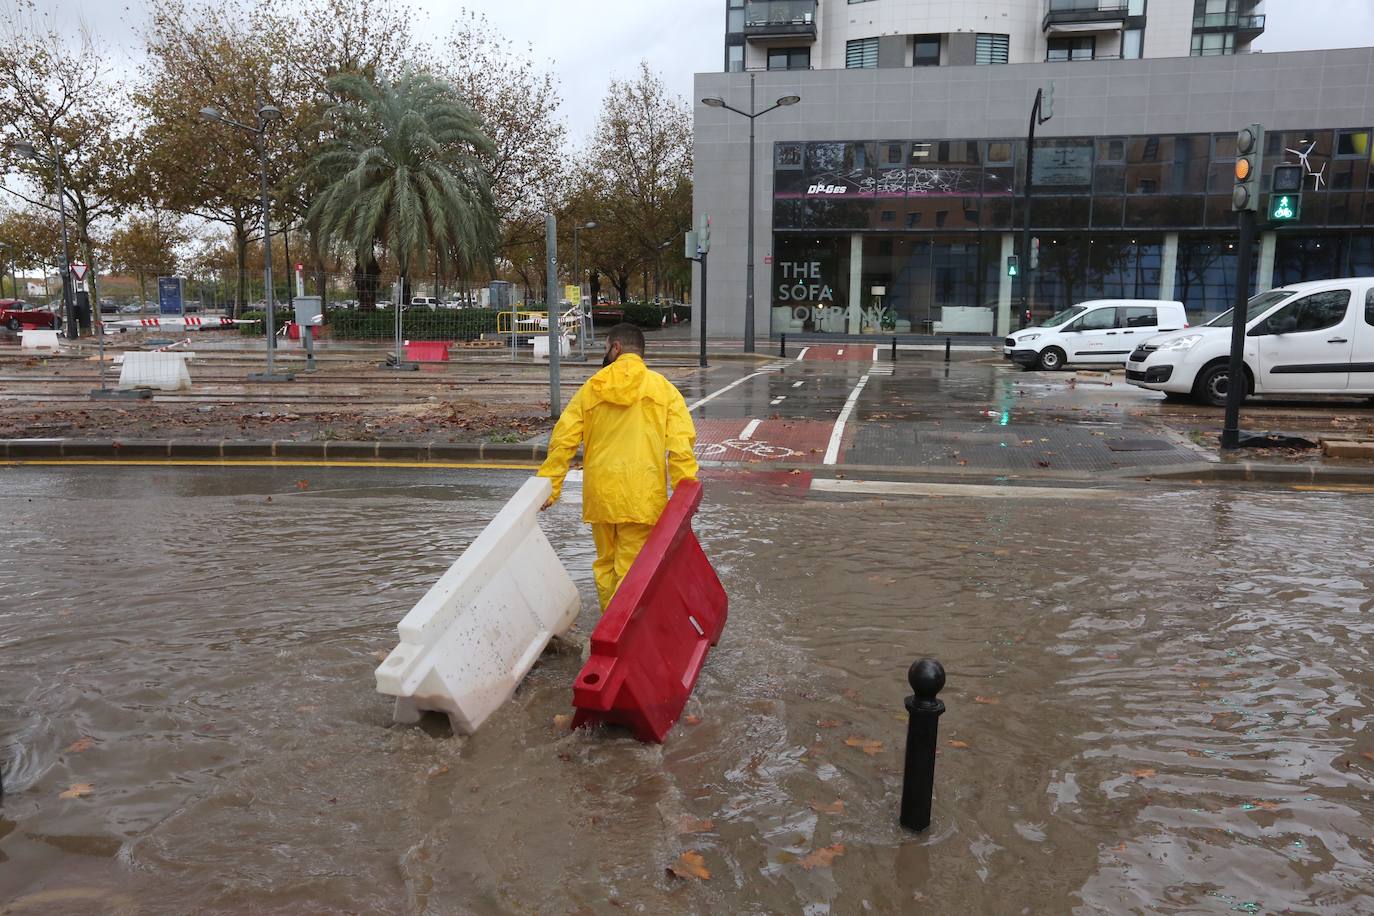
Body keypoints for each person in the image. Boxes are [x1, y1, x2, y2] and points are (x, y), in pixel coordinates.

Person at [538, 323, 698, 610]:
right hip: (642, 495)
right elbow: (680, 447)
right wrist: (685, 495)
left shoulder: (591, 388)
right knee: (632, 568)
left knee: (605, 564)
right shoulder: (663, 390)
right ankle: (621, 635)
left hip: (601, 495)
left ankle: (608, 625)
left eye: (605, 348)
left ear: (616, 348)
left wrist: (550, 487)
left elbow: (563, 440)